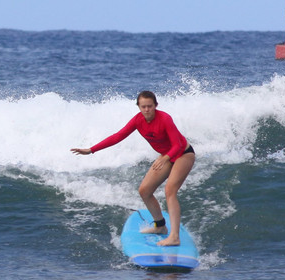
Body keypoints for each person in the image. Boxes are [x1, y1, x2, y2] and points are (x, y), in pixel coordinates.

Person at [71, 91, 195, 247]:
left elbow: (177, 145)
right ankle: (160, 226)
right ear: (139, 107)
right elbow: (117, 136)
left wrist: (165, 158)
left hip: (183, 154)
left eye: (150, 106)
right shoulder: (138, 121)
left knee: (170, 190)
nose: (147, 110)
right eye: (143, 107)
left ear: (156, 106)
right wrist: (91, 149)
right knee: (144, 190)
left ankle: (174, 237)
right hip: (166, 156)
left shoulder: (165, 119)